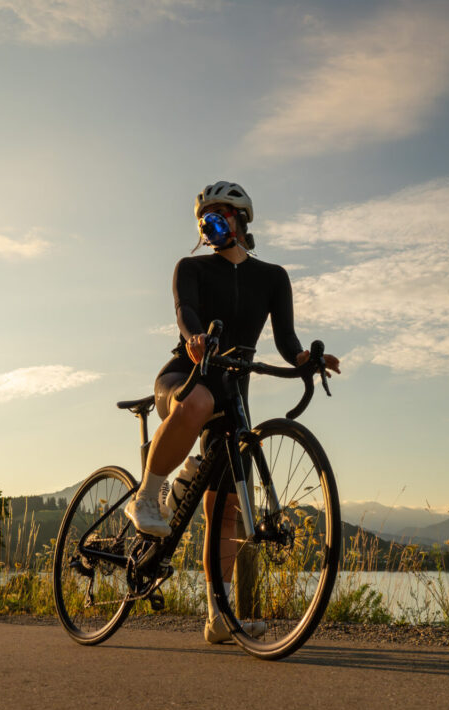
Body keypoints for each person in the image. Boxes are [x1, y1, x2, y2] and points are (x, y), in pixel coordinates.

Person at [124, 180, 341, 643]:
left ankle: (218, 615)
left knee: (224, 513)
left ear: (242, 220)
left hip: (233, 396)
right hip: (187, 374)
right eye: (205, 219)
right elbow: (186, 313)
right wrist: (195, 339)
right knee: (197, 401)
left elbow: (287, 343)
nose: (210, 224)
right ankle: (146, 495)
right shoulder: (191, 267)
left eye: (220, 215)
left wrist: (308, 360)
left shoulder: (273, 277)